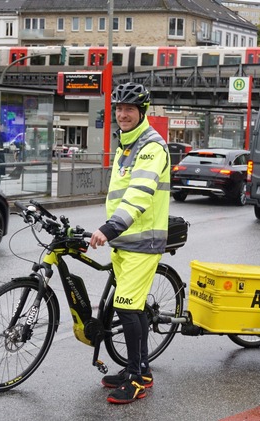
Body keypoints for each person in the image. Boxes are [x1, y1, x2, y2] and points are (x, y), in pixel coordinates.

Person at [89, 82, 171, 404]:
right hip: (125, 241)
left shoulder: (151, 146)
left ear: (142, 112)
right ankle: (141, 369)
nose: (123, 114)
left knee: (125, 305)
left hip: (143, 241)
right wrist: (112, 231)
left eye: (129, 109)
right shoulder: (126, 145)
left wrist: (110, 228)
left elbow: (139, 193)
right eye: (119, 109)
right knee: (132, 307)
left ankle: (137, 379)